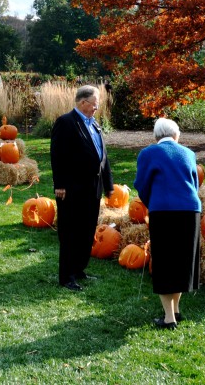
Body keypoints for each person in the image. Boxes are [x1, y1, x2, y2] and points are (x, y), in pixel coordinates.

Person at [133, 118, 202, 329]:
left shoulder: (148, 153)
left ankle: (169, 318)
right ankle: (177, 310)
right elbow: (195, 183)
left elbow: (141, 185)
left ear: (156, 136)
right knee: (182, 260)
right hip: (190, 210)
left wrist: (151, 202)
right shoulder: (189, 153)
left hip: (163, 211)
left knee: (164, 261)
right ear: (176, 135)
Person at [50, 85, 113, 291]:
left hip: (92, 189)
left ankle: (79, 269)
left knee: (87, 231)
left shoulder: (94, 125)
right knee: (70, 232)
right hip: (72, 189)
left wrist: (109, 186)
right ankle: (66, 276)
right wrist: (59, 184)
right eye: (95, 103)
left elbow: (102, 156)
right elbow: (57, 155)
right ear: (83, 102)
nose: (97, 107)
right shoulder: (66, 122)